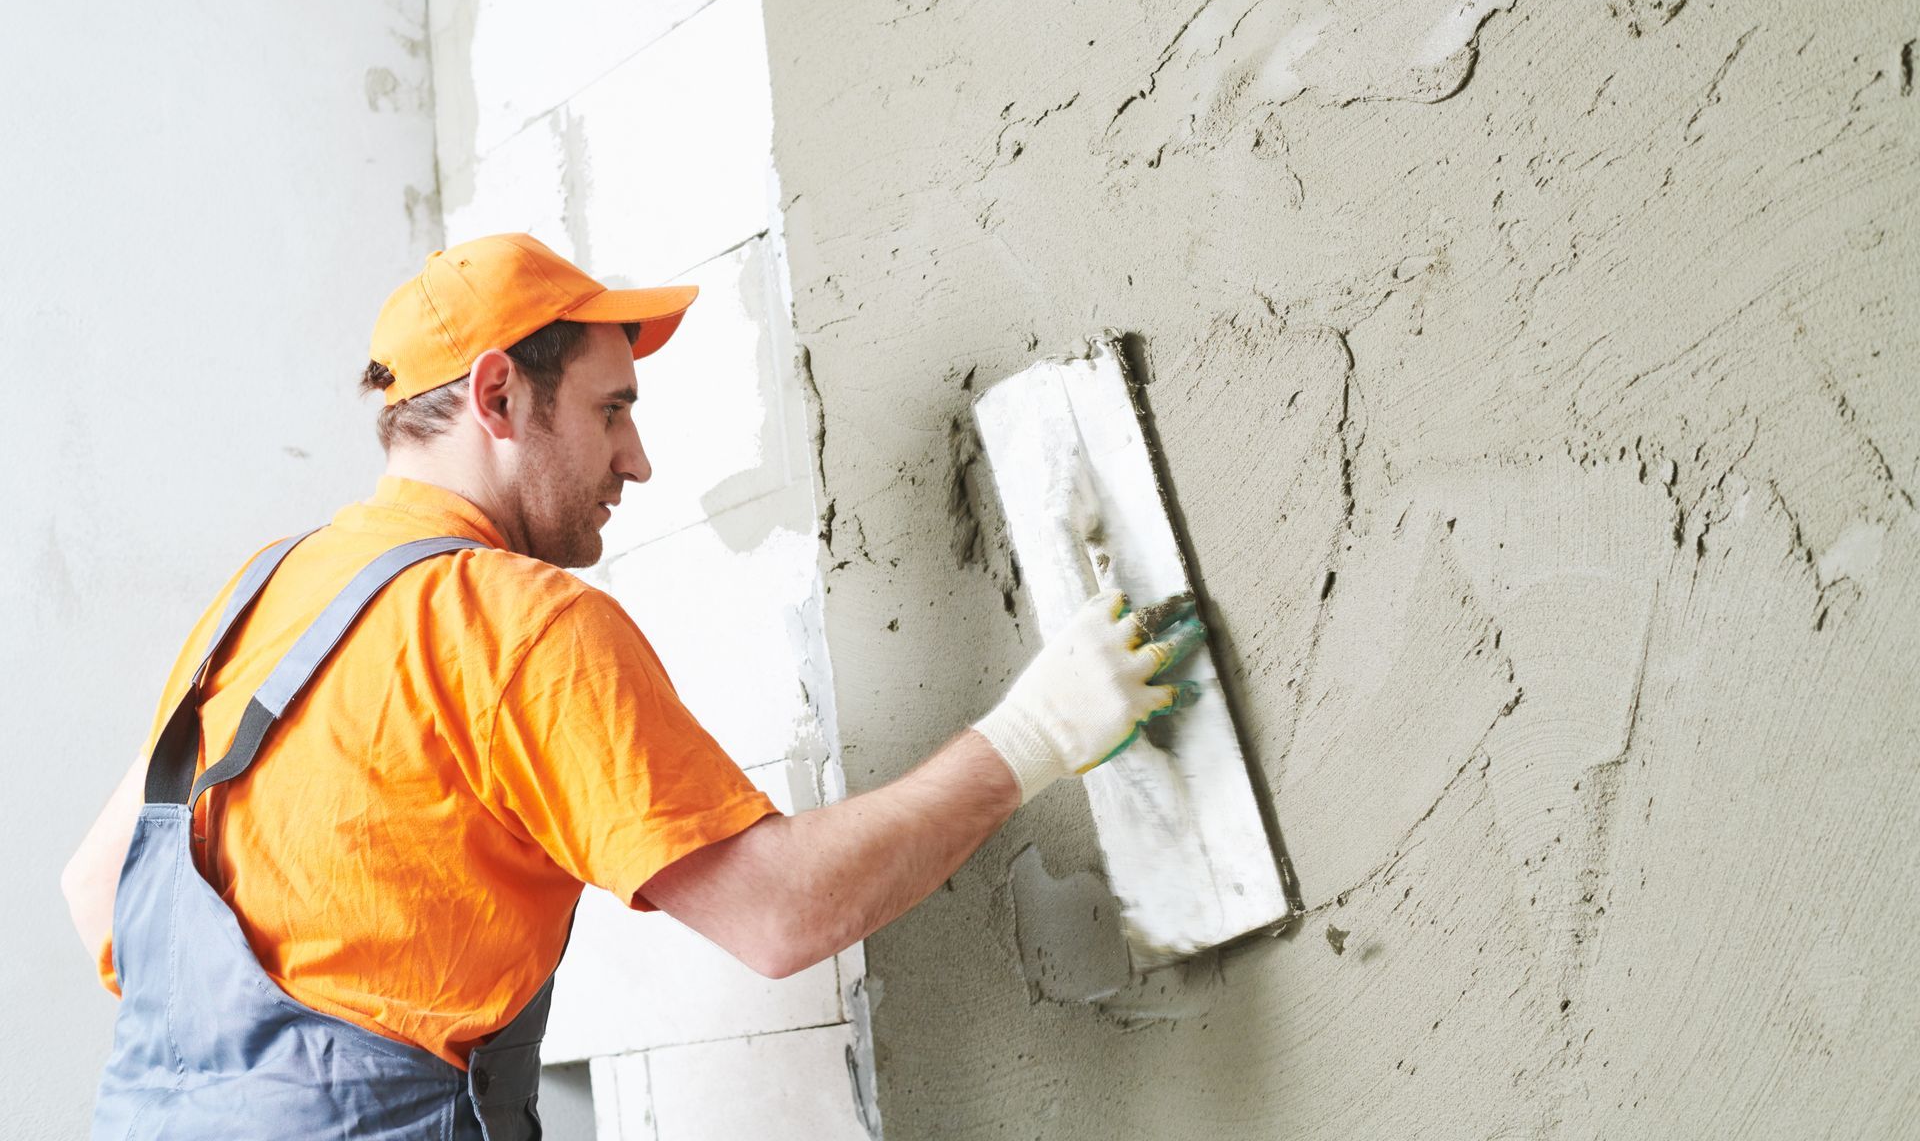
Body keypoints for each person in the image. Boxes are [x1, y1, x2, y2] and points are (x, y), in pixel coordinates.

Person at [60, 233, 1204, 1139]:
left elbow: (96, 894)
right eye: (613, 409)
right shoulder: (513, 620)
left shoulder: (262, 591)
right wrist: (1037, 730)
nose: (638, 459)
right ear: (498, 395)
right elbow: (778, 912)